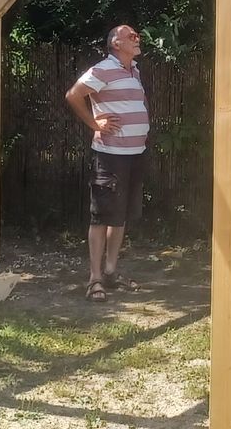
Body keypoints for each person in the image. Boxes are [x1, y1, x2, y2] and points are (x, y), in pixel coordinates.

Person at [64, 24, 150, 302]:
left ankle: (111, 272)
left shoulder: (134, 71)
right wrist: (93, 124)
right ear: (116, 43)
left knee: (120, 215)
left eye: (137, 36)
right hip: (110, 155)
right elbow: (73, 95)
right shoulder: (102, 69)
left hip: (135, 154)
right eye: (132, 36)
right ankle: (95, 279)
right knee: (101, 217)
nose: (138, 40)